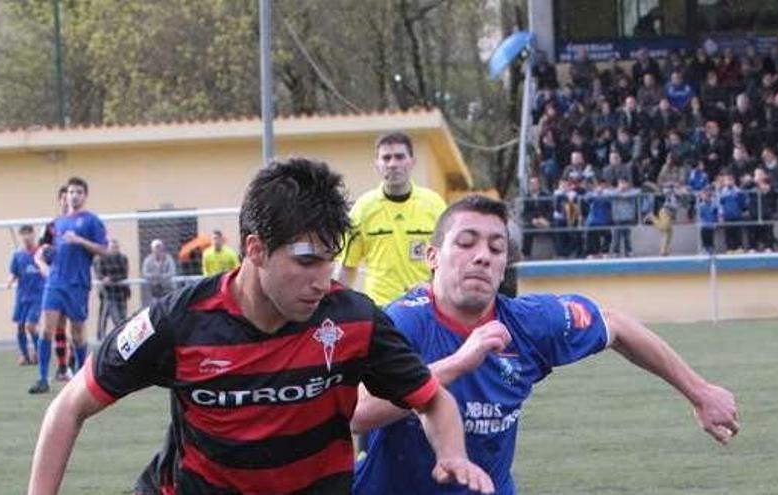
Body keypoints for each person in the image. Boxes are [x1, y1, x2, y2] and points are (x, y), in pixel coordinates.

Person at [27, 158, 493, 495]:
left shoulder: (355, 319)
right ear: (255, 249)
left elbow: (433, 400)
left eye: (330, 262)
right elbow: (67, 409)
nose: (322, 280)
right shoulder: (176, 322)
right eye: (306, 260)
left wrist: (452, 453)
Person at [351, 195, 739, 495]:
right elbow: (357, 411)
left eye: (496, 248)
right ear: (433, 257)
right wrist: (459, 362)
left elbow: (616, 325)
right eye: (466, 243)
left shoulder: (530, 322)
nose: (482, 256)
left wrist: (699, 392)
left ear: (505, 266)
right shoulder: (401, 321)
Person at [338, 132, 447, 306]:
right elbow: (348, 266)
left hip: (425, 305)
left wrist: (433, 287)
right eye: (386, 158)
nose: (393, 164)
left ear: (412, 162)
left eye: (399, 157)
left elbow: (449, 259)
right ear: (377, 165)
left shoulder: (434, 205)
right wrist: (338, 308)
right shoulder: (363, 209)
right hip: (380, 309)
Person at [29, 177, 108, 394]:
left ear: (85, 196)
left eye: (79, 192)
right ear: (67, 195)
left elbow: (104, 249)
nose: (74, 196)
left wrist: (80, 241)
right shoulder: (58, 223)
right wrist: (47, 255)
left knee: (78, 334)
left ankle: (83, 379)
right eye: (71, 192)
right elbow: (56, 251)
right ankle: (43, 378)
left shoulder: (92, 221)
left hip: (78, 284)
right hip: (55, 282)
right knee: (46, 329)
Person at [37, 186, 73, 380]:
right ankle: (58, 370)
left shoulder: (84, 224)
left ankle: (74, 367)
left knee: (76, 328)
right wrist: (47, 271)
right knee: (54, 326)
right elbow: (40, 254)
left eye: (72, 195)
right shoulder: (52, 226)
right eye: (64, 197)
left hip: (76, 283)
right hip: (56, 283)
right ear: (60, 200)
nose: (68, 200)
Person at [7, 225, 44, 365]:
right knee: (20, 326)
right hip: (22, 296)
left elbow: (48, 270)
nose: (26, 237)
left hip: (38, 296)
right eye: (23, 234)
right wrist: (10, 280)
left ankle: (38, 352)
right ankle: (24, 354)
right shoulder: (17, 255)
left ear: (33, 235)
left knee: (31, 325)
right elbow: (14, 272)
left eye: (29, 233)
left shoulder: (40, 253)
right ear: (20, 236)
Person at [94, 238, 130, 341]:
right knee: (106, 316)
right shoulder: (101, 258)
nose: (114, 249)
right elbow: (99, 274)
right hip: (107, 293)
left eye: (116, 247)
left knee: (122, 317)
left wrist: (111, 279)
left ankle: (122, 337)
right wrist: (104, 279)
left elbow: (124, 275)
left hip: (121, 292)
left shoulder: (123, 258)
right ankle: (100, 338)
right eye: (112, 247)